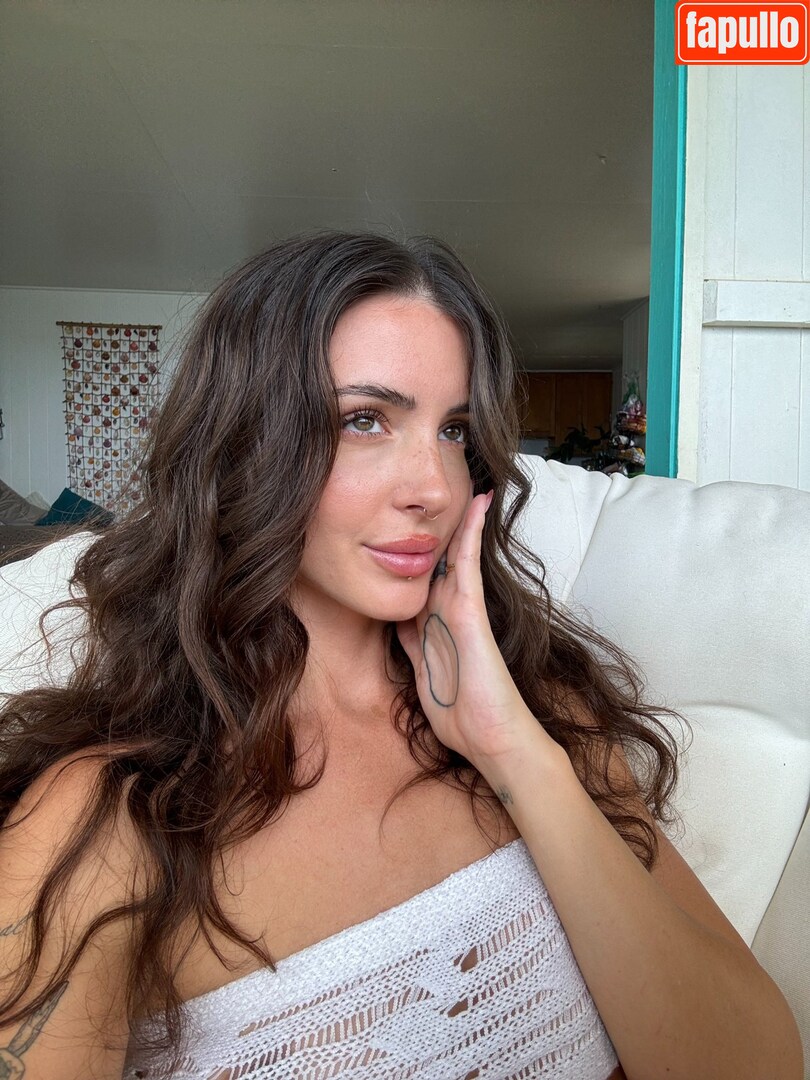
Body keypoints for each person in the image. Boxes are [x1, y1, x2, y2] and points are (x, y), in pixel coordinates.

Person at [0, 231, 802, 1080]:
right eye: (365, 420)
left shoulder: (540, 709)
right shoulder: (108, 821)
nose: (435, 487)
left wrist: (513, 754)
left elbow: (760, 1067)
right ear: (242, 445)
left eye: (455, 430)